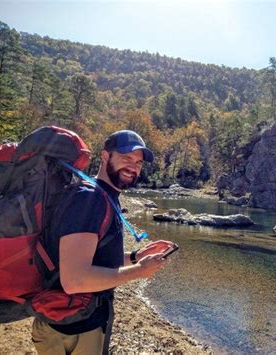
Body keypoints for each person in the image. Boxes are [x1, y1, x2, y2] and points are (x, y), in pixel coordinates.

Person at [31, 130, 174, 355]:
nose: (133, 167)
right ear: (105, 156)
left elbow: (95, 257)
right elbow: (75, 280)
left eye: (138, 162)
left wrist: (136, 257)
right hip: (71, 328)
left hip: (80, 321)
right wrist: (137, 271)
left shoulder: (105, 197)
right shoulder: (89, 199)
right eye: (126, 158)